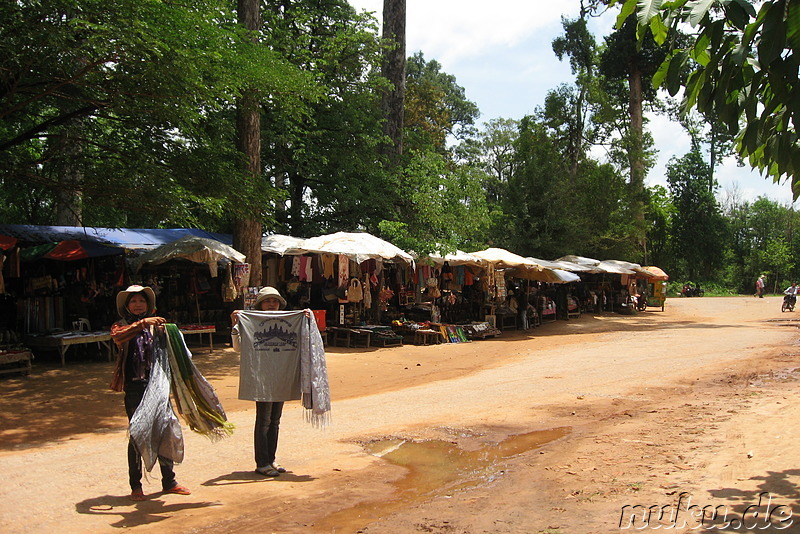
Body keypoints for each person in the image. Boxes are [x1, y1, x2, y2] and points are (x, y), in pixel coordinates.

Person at [110, 285, 191, 501]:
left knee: (164, 430)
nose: (138, 305)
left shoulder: (158, 327)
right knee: (138, 434)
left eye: (142, 301)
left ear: (149, 305)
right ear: (127, 306)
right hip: (135, 388)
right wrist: (142, 324)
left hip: (158, 385)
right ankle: (136, 485)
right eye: (134, 301)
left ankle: (169, 481)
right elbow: (118, 337)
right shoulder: (122, 326)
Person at [231, 287, 315, 477]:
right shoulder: (250, 321)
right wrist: (235, 325)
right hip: (262, 378)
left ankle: (271, 459)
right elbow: (238, 349)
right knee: (264, 420)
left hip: (281, 376)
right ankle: (262, 462)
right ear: (260, 304)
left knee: (275, 421)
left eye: (275, 301)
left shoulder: (291, 320)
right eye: (267, 301)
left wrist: (307, 319)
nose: (271, 304)